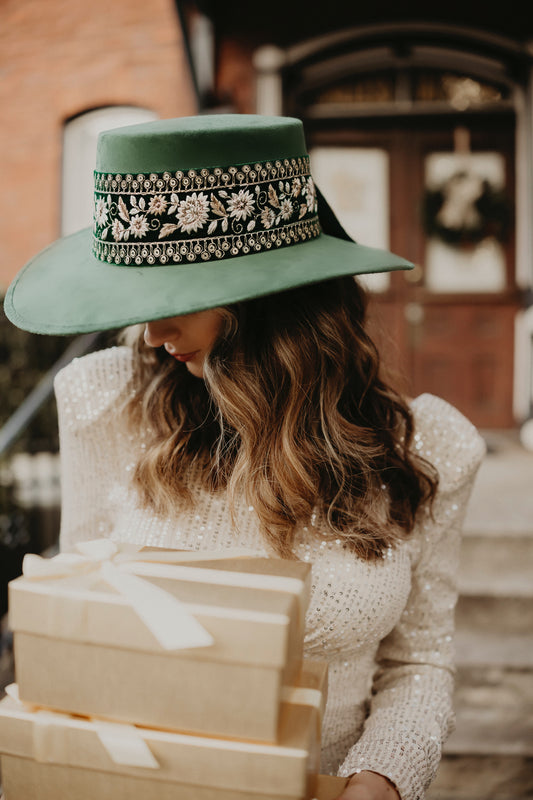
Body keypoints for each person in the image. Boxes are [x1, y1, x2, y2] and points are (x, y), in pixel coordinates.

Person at [4, 114, 485, 800]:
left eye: (178, 294)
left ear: (270, 295)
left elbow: (418, 661)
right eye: (139, 297)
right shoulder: (103, 400)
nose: (154, 330)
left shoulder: (428, 447)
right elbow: (82, 622)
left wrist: (380, 780)